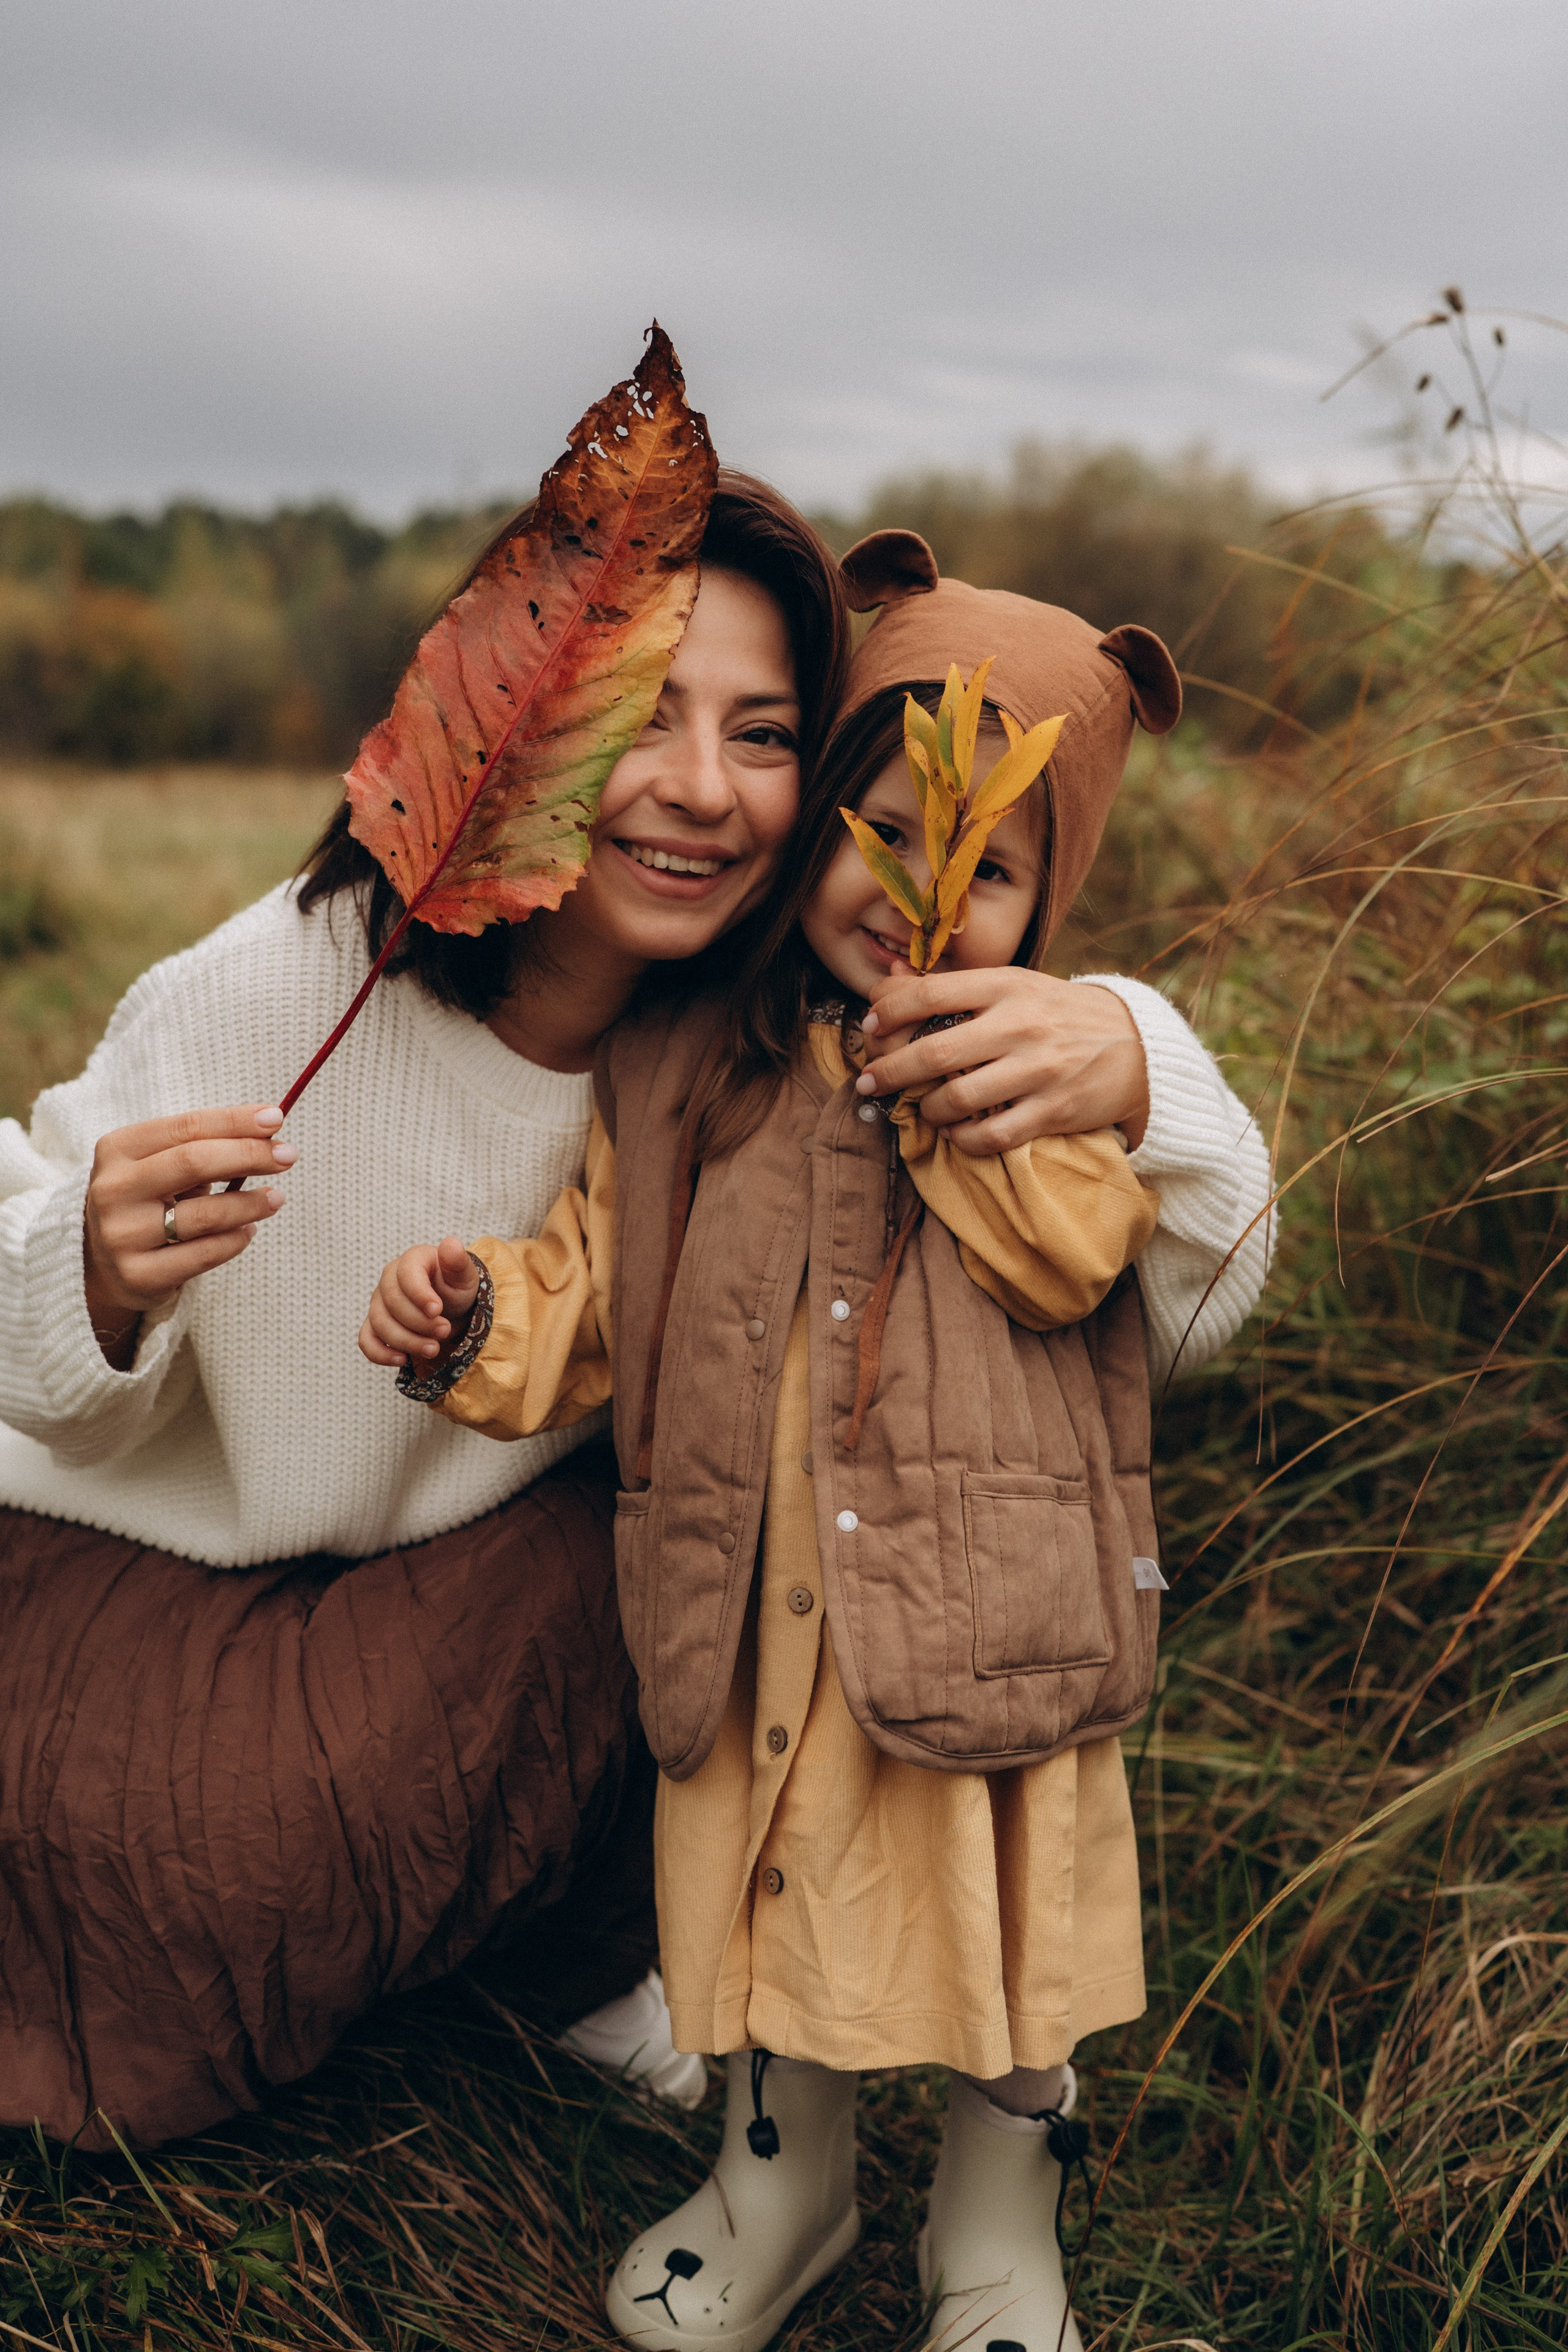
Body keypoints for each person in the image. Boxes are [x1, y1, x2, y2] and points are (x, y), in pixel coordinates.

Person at [0, 480, 1255, 2157]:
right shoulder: (301, 983)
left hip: (473, 1612)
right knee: (215, 1849)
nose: (698, 790)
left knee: (686, 1541)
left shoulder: (764, 1033)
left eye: (762, 735)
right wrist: (83, 1271)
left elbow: (1179, 1313)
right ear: (519, 722)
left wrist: (1137, 1057)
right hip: (134, 1582)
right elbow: (36, 1314)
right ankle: (513, 1936)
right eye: (640, 717)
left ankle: (576, 1932)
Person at [361, 531, 1273, 2352]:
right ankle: (784, 2186)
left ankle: (1000, 2231)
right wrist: (478, 1325)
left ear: (1048, 896)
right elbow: (599, 1290)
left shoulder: (1041, 1078)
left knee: (1000, 1946)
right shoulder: (694, 1066)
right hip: (761, 1602)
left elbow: (1087, 1254)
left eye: (985, 864)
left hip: (985, 1617)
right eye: (883, 824)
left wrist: (966, 1093)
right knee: (773, 1913)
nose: (918, 891)